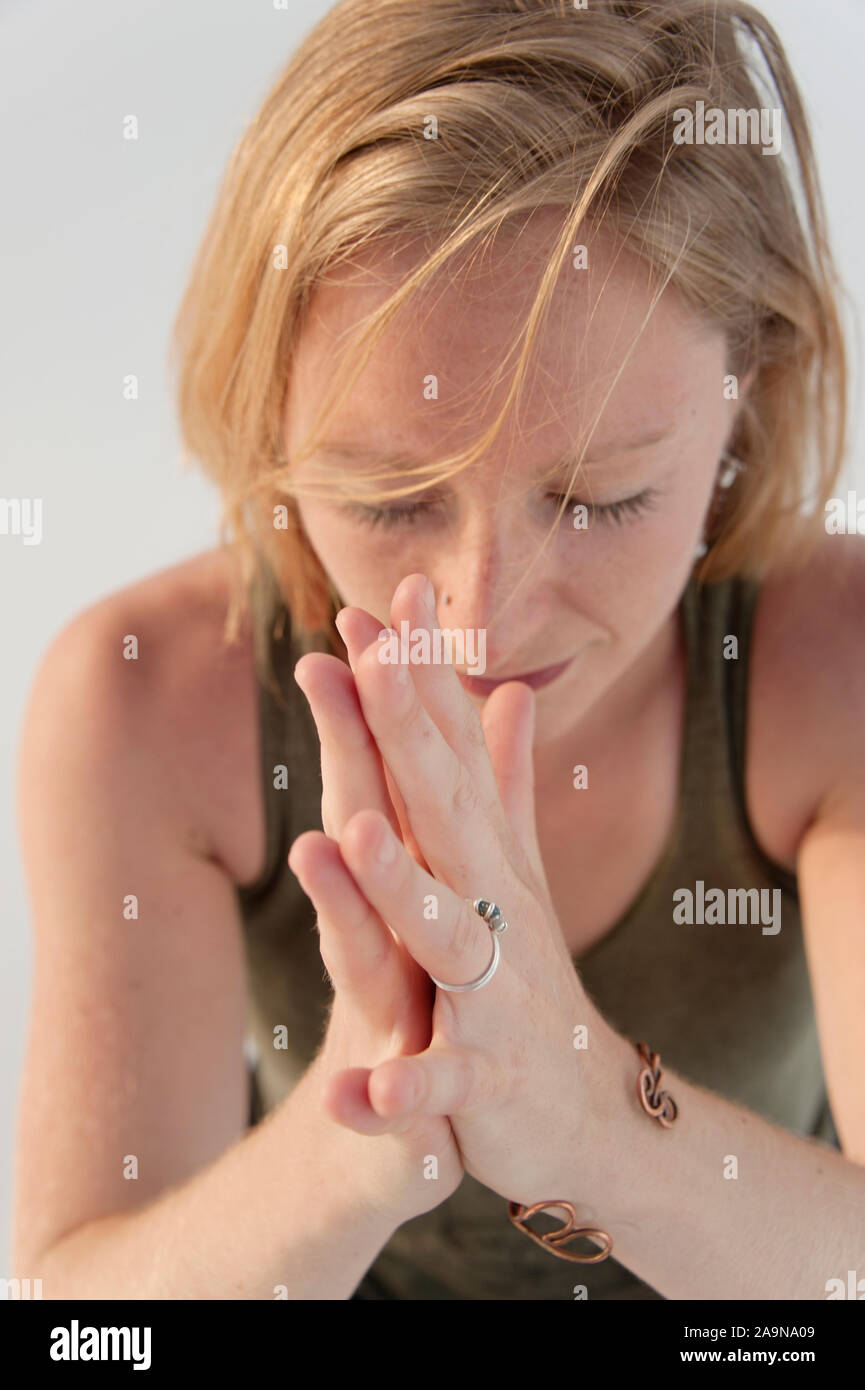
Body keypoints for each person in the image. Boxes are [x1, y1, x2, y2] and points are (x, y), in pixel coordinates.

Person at [11, 0, 865, 1301]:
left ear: (753, 387)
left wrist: (586, 1113)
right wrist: (361, 1130)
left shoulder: (830, 665)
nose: (482, 610)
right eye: (389, 499)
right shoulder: (140, 700)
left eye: (596, 500)